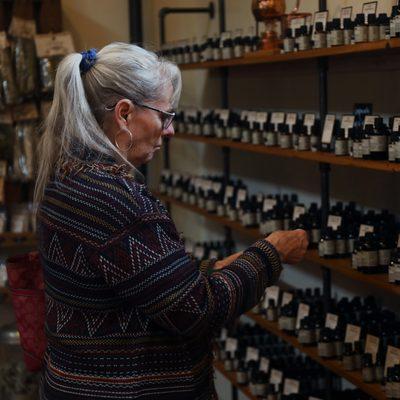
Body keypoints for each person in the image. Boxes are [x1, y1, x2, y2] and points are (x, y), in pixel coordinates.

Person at [35, 43, 308, 400]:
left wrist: (210, 270)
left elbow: (142, 284)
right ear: (124, 114)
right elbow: (199, 311)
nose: (170, 130)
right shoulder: (115, 200)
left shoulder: (68, 177)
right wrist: (271, 253)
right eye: (165, 116)